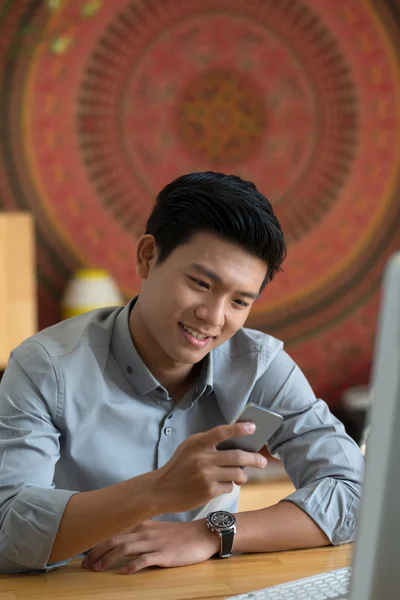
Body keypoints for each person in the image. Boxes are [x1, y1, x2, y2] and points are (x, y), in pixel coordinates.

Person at [0, 172, 364, 575]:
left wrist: (212, 534)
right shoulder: (45, 367)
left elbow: (355, 493)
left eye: (240, 301)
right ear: (147, 255)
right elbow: (6, 532)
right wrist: (155, 491)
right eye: (200, 283)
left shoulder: (260, 366)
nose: (213, 317)